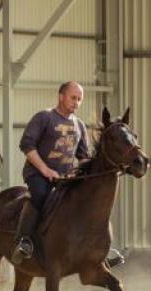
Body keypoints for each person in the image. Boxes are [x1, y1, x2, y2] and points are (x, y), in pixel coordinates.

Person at [11, 81, 90, 264]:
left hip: (65, 178)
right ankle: (24, 241)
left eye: (79, 99)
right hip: (38, 174)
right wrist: (45, 169)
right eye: (73, 98)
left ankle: (94, 248)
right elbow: (27, 145)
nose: (76, 102)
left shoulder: (80, 126)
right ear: (61, 96)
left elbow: (84, 156)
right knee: (40, 195)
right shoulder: (44, 117)